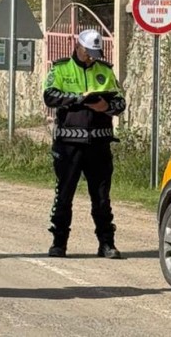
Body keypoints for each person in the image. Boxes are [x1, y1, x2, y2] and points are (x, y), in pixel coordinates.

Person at [42, 28, 127, 259]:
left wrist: (106, 106)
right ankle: (59, 243)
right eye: (88, 51)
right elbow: (49, 96)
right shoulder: (61, 69)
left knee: (102, 198)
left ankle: (106, 244)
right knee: (64, 195)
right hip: (69, 145)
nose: (91, 57)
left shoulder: (105, 70)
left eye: (94, 53)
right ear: (77, 46)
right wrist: (78, 99)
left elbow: (120, 102)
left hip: (99, 144)